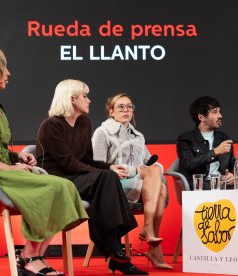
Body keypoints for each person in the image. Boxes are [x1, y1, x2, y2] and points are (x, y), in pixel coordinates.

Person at [0, 45, 88, 276]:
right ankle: (29, 257)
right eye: (4, 68)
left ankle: (34, 255)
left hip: (4, 170)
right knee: (55, 188)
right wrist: (9, 167)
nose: (8, 74)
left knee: (65, 187)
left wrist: (17, 155)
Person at [35, 80, 147, 275]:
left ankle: (114, 251)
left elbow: (86, 159)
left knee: (108, 176)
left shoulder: (84, 123)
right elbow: (68, 163)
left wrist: (109, 166)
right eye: (85, 96)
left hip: (77, 177)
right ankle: (114, 251)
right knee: (106, 178)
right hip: (58, 180)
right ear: (71, 99)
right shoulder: (51, 125)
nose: (89, 100)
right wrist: (105, 172)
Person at [92, 93, 173, 270]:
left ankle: (149, 230)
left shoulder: (138, 136)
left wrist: (152, 167)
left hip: (140, 185)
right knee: (157, 183)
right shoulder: (102, 132)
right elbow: (97, 166)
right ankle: (152, 241)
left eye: (129, 107)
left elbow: (149, 160)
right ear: (111, 112)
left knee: (159, 185)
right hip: (114, 186)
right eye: (120, 107)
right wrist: (133, 170)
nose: (126, 110)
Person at [176, 96, 235, 190]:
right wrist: (215, 152)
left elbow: (232, 164)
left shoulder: (224, 138)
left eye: (219, 111)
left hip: (223, 185)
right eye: (215, 112)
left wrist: (232, 175)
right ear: (201, 117)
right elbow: (188, 164)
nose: (220, 116)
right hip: (199, 186)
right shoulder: (186, 139)